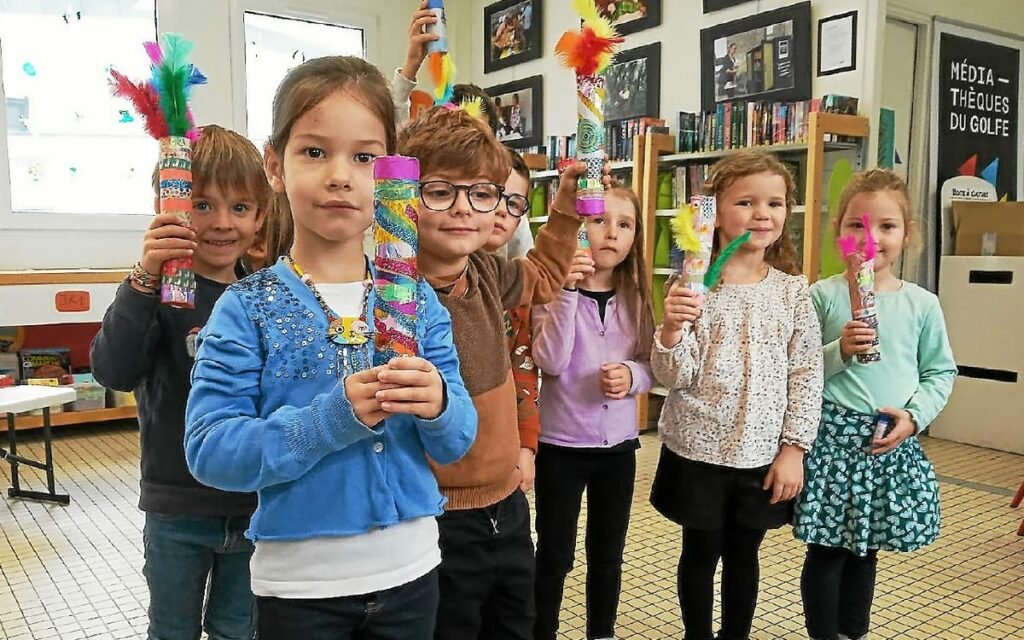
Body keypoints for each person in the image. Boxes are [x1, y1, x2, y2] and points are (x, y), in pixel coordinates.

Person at [183, 56, 477, 640]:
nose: (341, 175)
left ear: (392, 176)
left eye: (365, 157)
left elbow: (458, 438)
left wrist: (440, 401)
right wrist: (329, 420)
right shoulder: (247, 308)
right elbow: (210, 450)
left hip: (412, 569)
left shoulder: (416, 300)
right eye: (315, 152)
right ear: (275, 165)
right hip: (300, 589)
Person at [398, 105, 609, 640]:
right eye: (440, 190)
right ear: (404, 196)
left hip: (508, 501)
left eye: (483, 193)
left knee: (516, 622)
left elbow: (542, 276)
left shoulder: (488, 272)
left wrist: (565, 209)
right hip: (435, 514)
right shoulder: (393, 291)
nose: (465, 210)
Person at [91, 124, 271, 640]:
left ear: (260, 217)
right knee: (172, 630)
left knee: (238, 628)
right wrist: (145, 275)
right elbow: (112, 370)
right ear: (169, 206)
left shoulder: (263, 298)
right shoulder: (159, 292)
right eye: (202, 204)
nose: (221, 223)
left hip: (252, 503)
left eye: (240, 208)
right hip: (176, 506)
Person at [649, 150, 824, 640]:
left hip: (761, 455)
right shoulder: (692, 286)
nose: (762, 213)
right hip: (697, 451)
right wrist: (670, 330)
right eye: (746, 202)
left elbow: (807, 375)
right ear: (714, 213)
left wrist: (794, 450)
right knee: (699, 553)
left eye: (775, 202)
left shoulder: (792, 291)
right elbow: (673, 375)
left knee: (745, 556)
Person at [794, 169, 956, 640]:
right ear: (838, 233)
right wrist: (839, 351)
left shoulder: (921, 304)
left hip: (888, 440)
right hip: (832, 442)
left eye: (886, 226)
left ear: (907, 235)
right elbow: (799, 373)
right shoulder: (821, 296)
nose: (870, 238)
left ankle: (853, 632)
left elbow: (940, 372)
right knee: (827, 551)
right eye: (856, 226)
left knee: (866, 551)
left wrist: (916, 416)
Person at [531, 187, 655, 640]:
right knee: (555, 552)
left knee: (608, 552)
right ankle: (542, 629)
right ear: (580, 228)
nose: (613, 233)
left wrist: (632, 375)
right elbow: (550, 361)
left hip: (618, 449)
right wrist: (566, 290)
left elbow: (649, 363)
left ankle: (601, 631)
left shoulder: (637, 296)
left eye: (625, 225)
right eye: (602, 221)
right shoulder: (553, 291)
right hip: (561, 446)